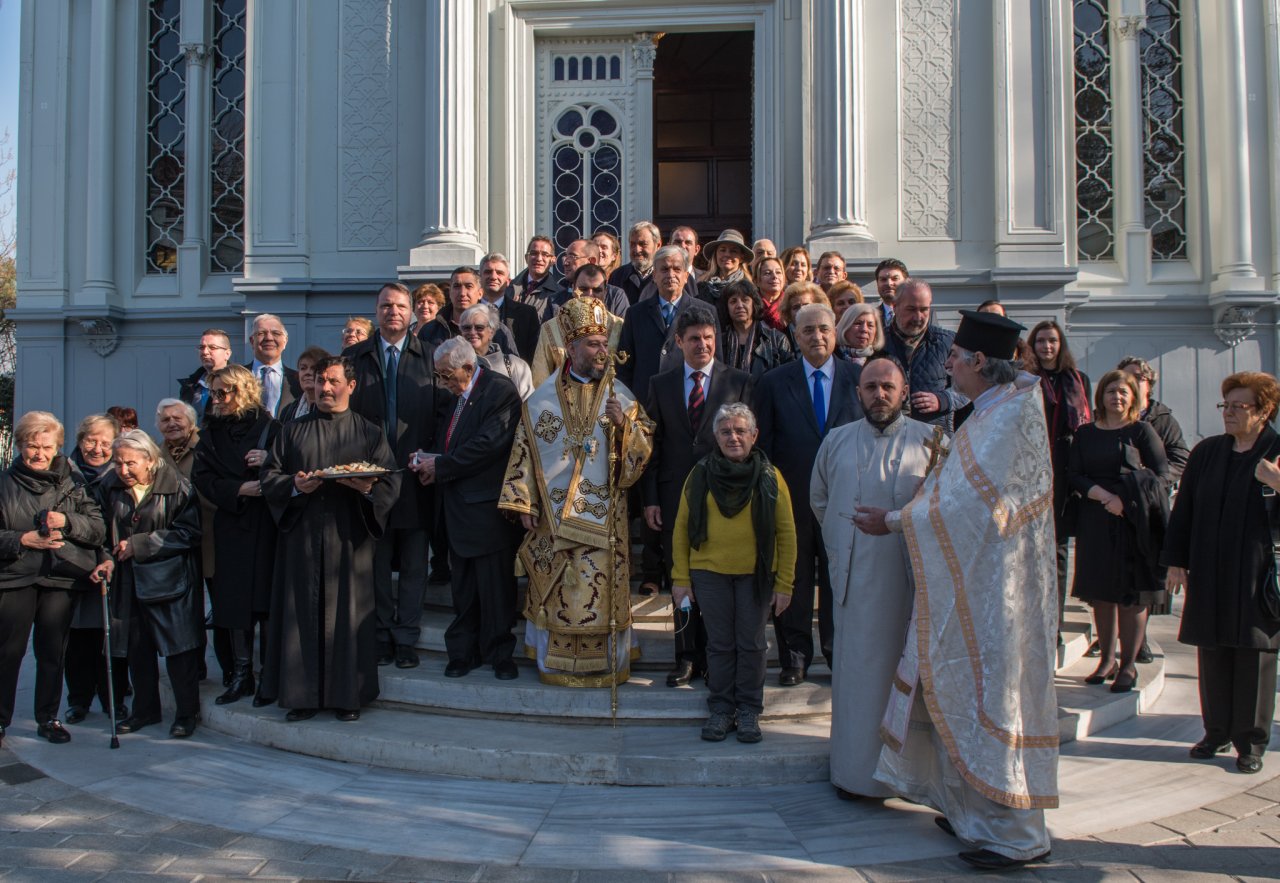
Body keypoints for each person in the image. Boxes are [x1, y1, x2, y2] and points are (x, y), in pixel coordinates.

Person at [868, 310, 1058, 871]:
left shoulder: (1011, 415)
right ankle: (972, 812)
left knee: (994, 697)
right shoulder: (995, 407)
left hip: (997, 590)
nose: (946, 364)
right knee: (962, 691)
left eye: (953, 357)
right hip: (975, 579)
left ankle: (1016, 834)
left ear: (978, 360)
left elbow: (967, 506)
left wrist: (896, 519)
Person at [499, 297, 654, 686]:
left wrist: (625, 428)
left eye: (604, 343)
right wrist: (524, 502)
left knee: (602, 594)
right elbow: (524, 449)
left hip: (606, 520)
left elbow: (644, 449)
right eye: (592, 344)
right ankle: (556, 663)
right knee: (559, 592)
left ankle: (606, 662)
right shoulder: (541, 401)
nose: (601, 351)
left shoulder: (620, 396)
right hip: (554, 521)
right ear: (570, 348)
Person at [812, 354, 939, 798]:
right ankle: (855, 775)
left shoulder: (934, 443)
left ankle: (912, 780)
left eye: (888, 387)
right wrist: (845, 547)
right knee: (858, 683)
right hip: (855, 583)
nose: (879, 394)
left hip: (910, 588)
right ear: (858, 393)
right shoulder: (837, 441)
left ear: (905, 392)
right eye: (871, 387)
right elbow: (820, 500)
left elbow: (946, 508)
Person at [259, 356, 401, 720]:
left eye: (333, 381)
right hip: (303, 537)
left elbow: (390, 482)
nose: (325, 388)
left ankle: (347, 697)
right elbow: (269, 477)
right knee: (301, 616)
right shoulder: (291, 430)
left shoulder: (369, 432)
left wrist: (366, 488)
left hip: (349, 538)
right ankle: (301, 698)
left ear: (351, 386)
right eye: (321, 381)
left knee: (348, 618)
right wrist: (294, 485)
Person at [1165, 372, 1280, 775]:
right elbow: (1184, 509)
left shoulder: (1277, 452)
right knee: (1212, 650)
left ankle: (1251, 742)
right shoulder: (1208, 452)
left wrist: (1277, 482)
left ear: (1264, 411)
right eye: (1225, 405)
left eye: (1238, 406)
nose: (1228, 413)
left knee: (1253, 653)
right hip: (1210, 568)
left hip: (1257, 572)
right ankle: (1215, 732)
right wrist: (1176, 560)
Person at [671, 403, 795, 743]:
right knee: (720, 645)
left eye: (741, 431)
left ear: (754, 435)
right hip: (709, 573)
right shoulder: (699, 475)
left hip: (756, 576)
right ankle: (722, 710)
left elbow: (786, 532)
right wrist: (680, 578)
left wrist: (785, 583)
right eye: (726, 431)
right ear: (716, 436)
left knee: (752, 644)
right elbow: (681, 529)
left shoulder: (771, 477)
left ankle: (750, 710)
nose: (733, 437)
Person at [642, 303, 753, 687]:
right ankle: (686, 655)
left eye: (708, 338)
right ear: (679, 342)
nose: (702, 345)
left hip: (725, 498)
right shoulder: (660, 384)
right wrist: (651, 498)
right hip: (674, 496)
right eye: (694, 339)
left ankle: (715, 654)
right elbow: (652, 446)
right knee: (682, 576)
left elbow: (748, 443)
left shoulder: (738, 381)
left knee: (717, 578)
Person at [754, 303, 863, 685]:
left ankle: (838, 654)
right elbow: (763, 447)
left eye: (824, 329)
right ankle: (794, 659)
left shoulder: (858, 378)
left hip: (844, 502)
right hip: (792, 500)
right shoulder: (773, 382)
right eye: (808, 330)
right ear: (795, 336)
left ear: (835, 333)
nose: (817, 336)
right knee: (794, 579)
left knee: (839, 580)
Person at [411, 339, 524, 680]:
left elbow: (488, 445)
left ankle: (500, 654)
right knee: (463, 589)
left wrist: (441, 465)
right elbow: (451, 441)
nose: (442, 381)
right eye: (439, 374)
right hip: (456, 508)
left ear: (468, 367)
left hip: (487, 510)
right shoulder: (456, 395)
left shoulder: (499, 391)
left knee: (495, 589)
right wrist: (429, 460)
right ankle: (463, 653)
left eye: (446, 374)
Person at [344, 282, 439, 670]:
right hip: (371, 479)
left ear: (412, 312)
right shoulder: (354, 358)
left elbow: (443, 412)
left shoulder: (430, 355)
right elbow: (343, 417)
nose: (393, 312)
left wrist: (434, 459)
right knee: (377, 565)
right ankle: (382, 635)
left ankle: (406, 639)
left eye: (400, 306)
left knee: (415, 565)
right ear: (376, 310)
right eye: (386, 306)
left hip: (416, 477)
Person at [0, 412, 105, 747]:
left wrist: (67, 521)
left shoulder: (73, 483)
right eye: (33, 446)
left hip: (60, 576)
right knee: (8, 653)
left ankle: (47, 718)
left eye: (47, 447)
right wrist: (22, 539)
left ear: (58, 447)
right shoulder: (4, 483)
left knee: (52, 653)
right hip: (15, 576)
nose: (40, 454)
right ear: (20, 445)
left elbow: (97, 528)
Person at [95, 430, 205, 739]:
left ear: (150, 459)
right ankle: (145, 710)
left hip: (169, 580)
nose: (123, 470)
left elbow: (189, 533)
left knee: (179, 650)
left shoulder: (177, 487)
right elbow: (99, 530)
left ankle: (187, 713)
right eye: (118, 462)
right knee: (137, 649)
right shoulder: (109, 485)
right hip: (127, 579)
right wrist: (105, 558)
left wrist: (140, 544)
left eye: (130, 463)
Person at [1068, 370, 1170, 693]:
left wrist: (1124, 500)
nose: (1117, 397)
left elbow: (1162, 474)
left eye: (1124, 392)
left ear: (1133, 398)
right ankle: (1106, 660)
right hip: (1095, 519)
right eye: (1111, 391)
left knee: (1131, 595)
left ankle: (1128, 666)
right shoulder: (1085, 433)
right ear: (1101, 396)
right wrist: (1100, 495)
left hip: (1132, 521)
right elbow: (1074, 473)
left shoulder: (1141, 431)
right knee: (1101, 592)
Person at [192, 365, 279, 706]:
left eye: (222, 393)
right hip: (230, 523)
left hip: (266, 525)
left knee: (266, 602)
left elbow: (292, 466)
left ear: (243, 392)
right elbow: (202, 478)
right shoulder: (209, 434)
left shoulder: (271, 428)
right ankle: (242, 674)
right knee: (232, 602)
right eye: (213, 393)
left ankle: (269, 676)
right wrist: (239, 489)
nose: (216, 400)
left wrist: (268, 464)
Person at [1120, 354, 1192, 661]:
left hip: (1150, 506)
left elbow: (1180, 458)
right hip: (1117, 504)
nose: (1133, 381)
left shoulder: (1162, 419)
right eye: (1127, 376)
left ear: (1149, 383)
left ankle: (1140, 639)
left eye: (1139, 377)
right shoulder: (1110, 411)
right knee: (1115, 575)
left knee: (1146, 575)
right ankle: (1113, 636)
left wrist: (1155, 482)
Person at [1028, 319, 1092, 641]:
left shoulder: (1078, 380)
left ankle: (1054, 623)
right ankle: (1031, 622)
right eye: (1040, 341)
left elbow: (1086, 429)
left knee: (1058, 552)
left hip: (1065, 475)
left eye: (1052, 340)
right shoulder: (1025, 379)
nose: (1046, 346)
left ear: (1060, 344)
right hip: (1031, 471)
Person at [63, 414, 129, 725]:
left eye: (105, 442)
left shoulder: (121, 474)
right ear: (80, 441)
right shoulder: (64, 473)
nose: (98, 448)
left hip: (113, 563)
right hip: (75, 563)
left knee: (111, 635)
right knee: (78, 637)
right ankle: (78, 699)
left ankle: (113, 697)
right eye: (91, 441)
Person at [882, 279, 964, 430]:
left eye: (924, 309)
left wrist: (943, 400)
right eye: (911, 309)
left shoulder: (948, 342)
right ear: (895, 307)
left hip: (934, 437)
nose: (918, 317)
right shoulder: (878, 342)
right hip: (889, 435)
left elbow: (969, 386)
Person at [619, 245, 695, 406]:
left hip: (687, 403)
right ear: (654, 275)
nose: (671, 275)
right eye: (664, 269)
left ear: (686, 276)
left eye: (677, 269)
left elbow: (714, 365)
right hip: (644, 405)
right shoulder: (635, 314)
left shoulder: (704, 311)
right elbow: (624, 365)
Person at [530, 264, 625, 386]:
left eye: (597, 290)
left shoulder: (619, 326)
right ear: (573, 288)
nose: (590, 295)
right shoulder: (550, 328)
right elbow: (540, 380)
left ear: (605, 291)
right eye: (583, 289)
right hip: (560, 396)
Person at [716, 279, 794, 380]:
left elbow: (788, 376)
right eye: (733, 301)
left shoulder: (776, 339)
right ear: (727, 307)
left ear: (754, 304)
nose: (739, 305)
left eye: (745, 300)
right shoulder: (718, 342)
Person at [459, 303, 534, 400]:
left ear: (491, 332)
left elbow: (528, 405)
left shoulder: (515, 366)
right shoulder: (453, 365)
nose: (472, 332)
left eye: (479, 327)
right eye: (467, 328)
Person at [478, 253, 541, 362]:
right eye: (488, 272)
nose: (493, 277)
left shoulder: (527, 314)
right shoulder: (467, 312)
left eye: (499, 273)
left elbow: (533, 356)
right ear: (479, 278)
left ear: (508, 281)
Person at [549, 239, 630, 318]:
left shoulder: (615, 296)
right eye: (583, 289)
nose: (565, 263)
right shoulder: (554, 300)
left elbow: (621, 326)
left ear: (591, 261)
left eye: (572, 256)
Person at [248, 314, 301, 419]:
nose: (269, 338)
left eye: (276, 333)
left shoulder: (299, 381)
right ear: (252, 341)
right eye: (261, 333)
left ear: (285, 341)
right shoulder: (235, 378)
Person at [178, 329, 233, 420]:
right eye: (201, 347)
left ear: (227, 354)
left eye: (212, 347)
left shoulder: (237, 383)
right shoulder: (190, 385)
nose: (205, 352)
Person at [696, 229, 754, 308]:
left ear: (741, 257)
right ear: (715, 255)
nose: (727, 254)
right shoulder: (702, 287)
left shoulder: (750, 289)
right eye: (722, 250)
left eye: (733, 251)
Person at [609, 221, 661, 306]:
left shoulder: (666, 275)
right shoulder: (617, 276)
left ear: (658, 245)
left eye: (643, 244)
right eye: (632, 244)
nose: (637, 250)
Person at [512, 235, 562, 317]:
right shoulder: (508, 288)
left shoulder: (559, 295)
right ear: (526, 258)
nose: (539, 259)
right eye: (534, 253)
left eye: (545, 254)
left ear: (553, 260)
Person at [278, 346, 330, 423]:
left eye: (313, 368)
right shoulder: (288, 411)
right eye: (303, 368)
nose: (307, 372)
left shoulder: (331, 409)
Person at [777, 281, 830, 353]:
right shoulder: (779, 339)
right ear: (788, 313)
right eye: (796, 307)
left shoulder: (828, 334)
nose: (801, 310)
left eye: (807, 305)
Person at [835, 302, 884, 367]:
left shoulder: (884, 362)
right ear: (845, 326)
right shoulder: (830, 357)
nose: (864, 329)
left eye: (870, 325)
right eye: (858, 323)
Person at [412, 285, 451, 355]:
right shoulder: (406, 332)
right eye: (420, 302)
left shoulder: (445, 331)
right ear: (414, 307)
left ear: (439, 307)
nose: (425, 306)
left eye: (430, 302)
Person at [752, 255, 788, 330]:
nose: (775, 276)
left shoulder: (791, 304)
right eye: (767, 273)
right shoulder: (751, 307)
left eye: (778, 272)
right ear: (756, 281)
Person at [872, 258, 909, 329]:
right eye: (883, 279)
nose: (889, 283)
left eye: (895, 278)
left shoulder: (919, 315)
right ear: (877, 283)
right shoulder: (870, 317)